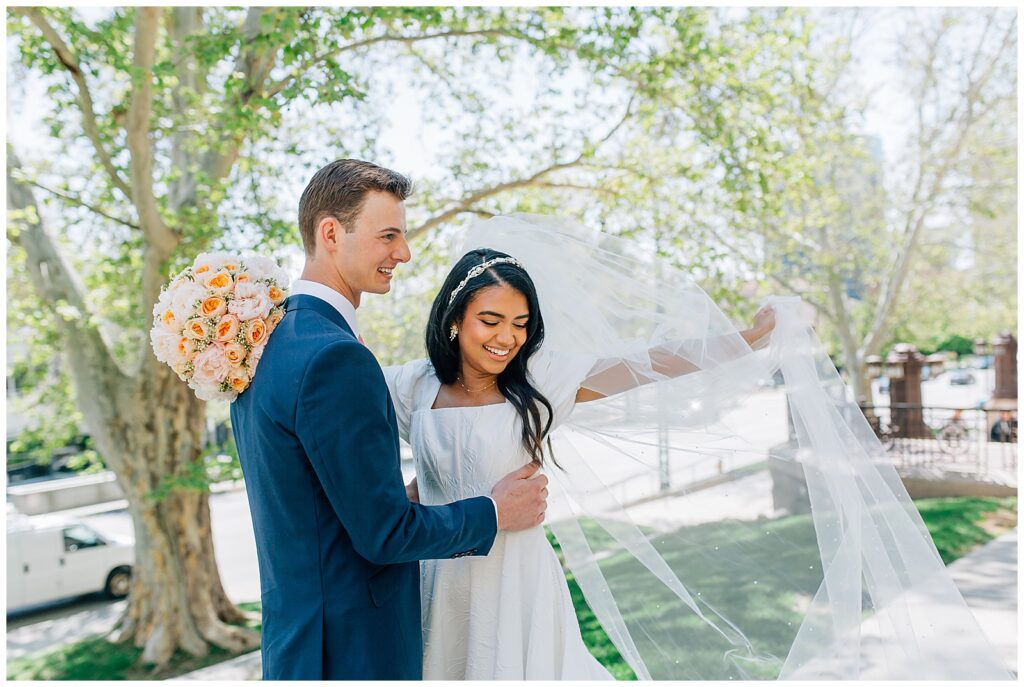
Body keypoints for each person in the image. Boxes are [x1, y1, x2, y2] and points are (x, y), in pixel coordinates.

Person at [383, 247, 775, 679]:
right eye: (490, 321)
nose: (506, 338)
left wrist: (748, 338)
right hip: (439, 581)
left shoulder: (538, 378)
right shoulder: (413, 385)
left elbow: (646, 363)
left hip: (518, 581)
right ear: (454, 319)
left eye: (520, 324)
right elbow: (338, 411)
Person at [229, 160, 550, 680]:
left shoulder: (264, 342)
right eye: (388, 236)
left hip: (299, 643)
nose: (403, 252)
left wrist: (397, 493)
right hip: (353, 650)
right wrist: (494, 511)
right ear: (330, 233)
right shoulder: (336, 357)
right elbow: (384, 536)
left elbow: (308, 501)